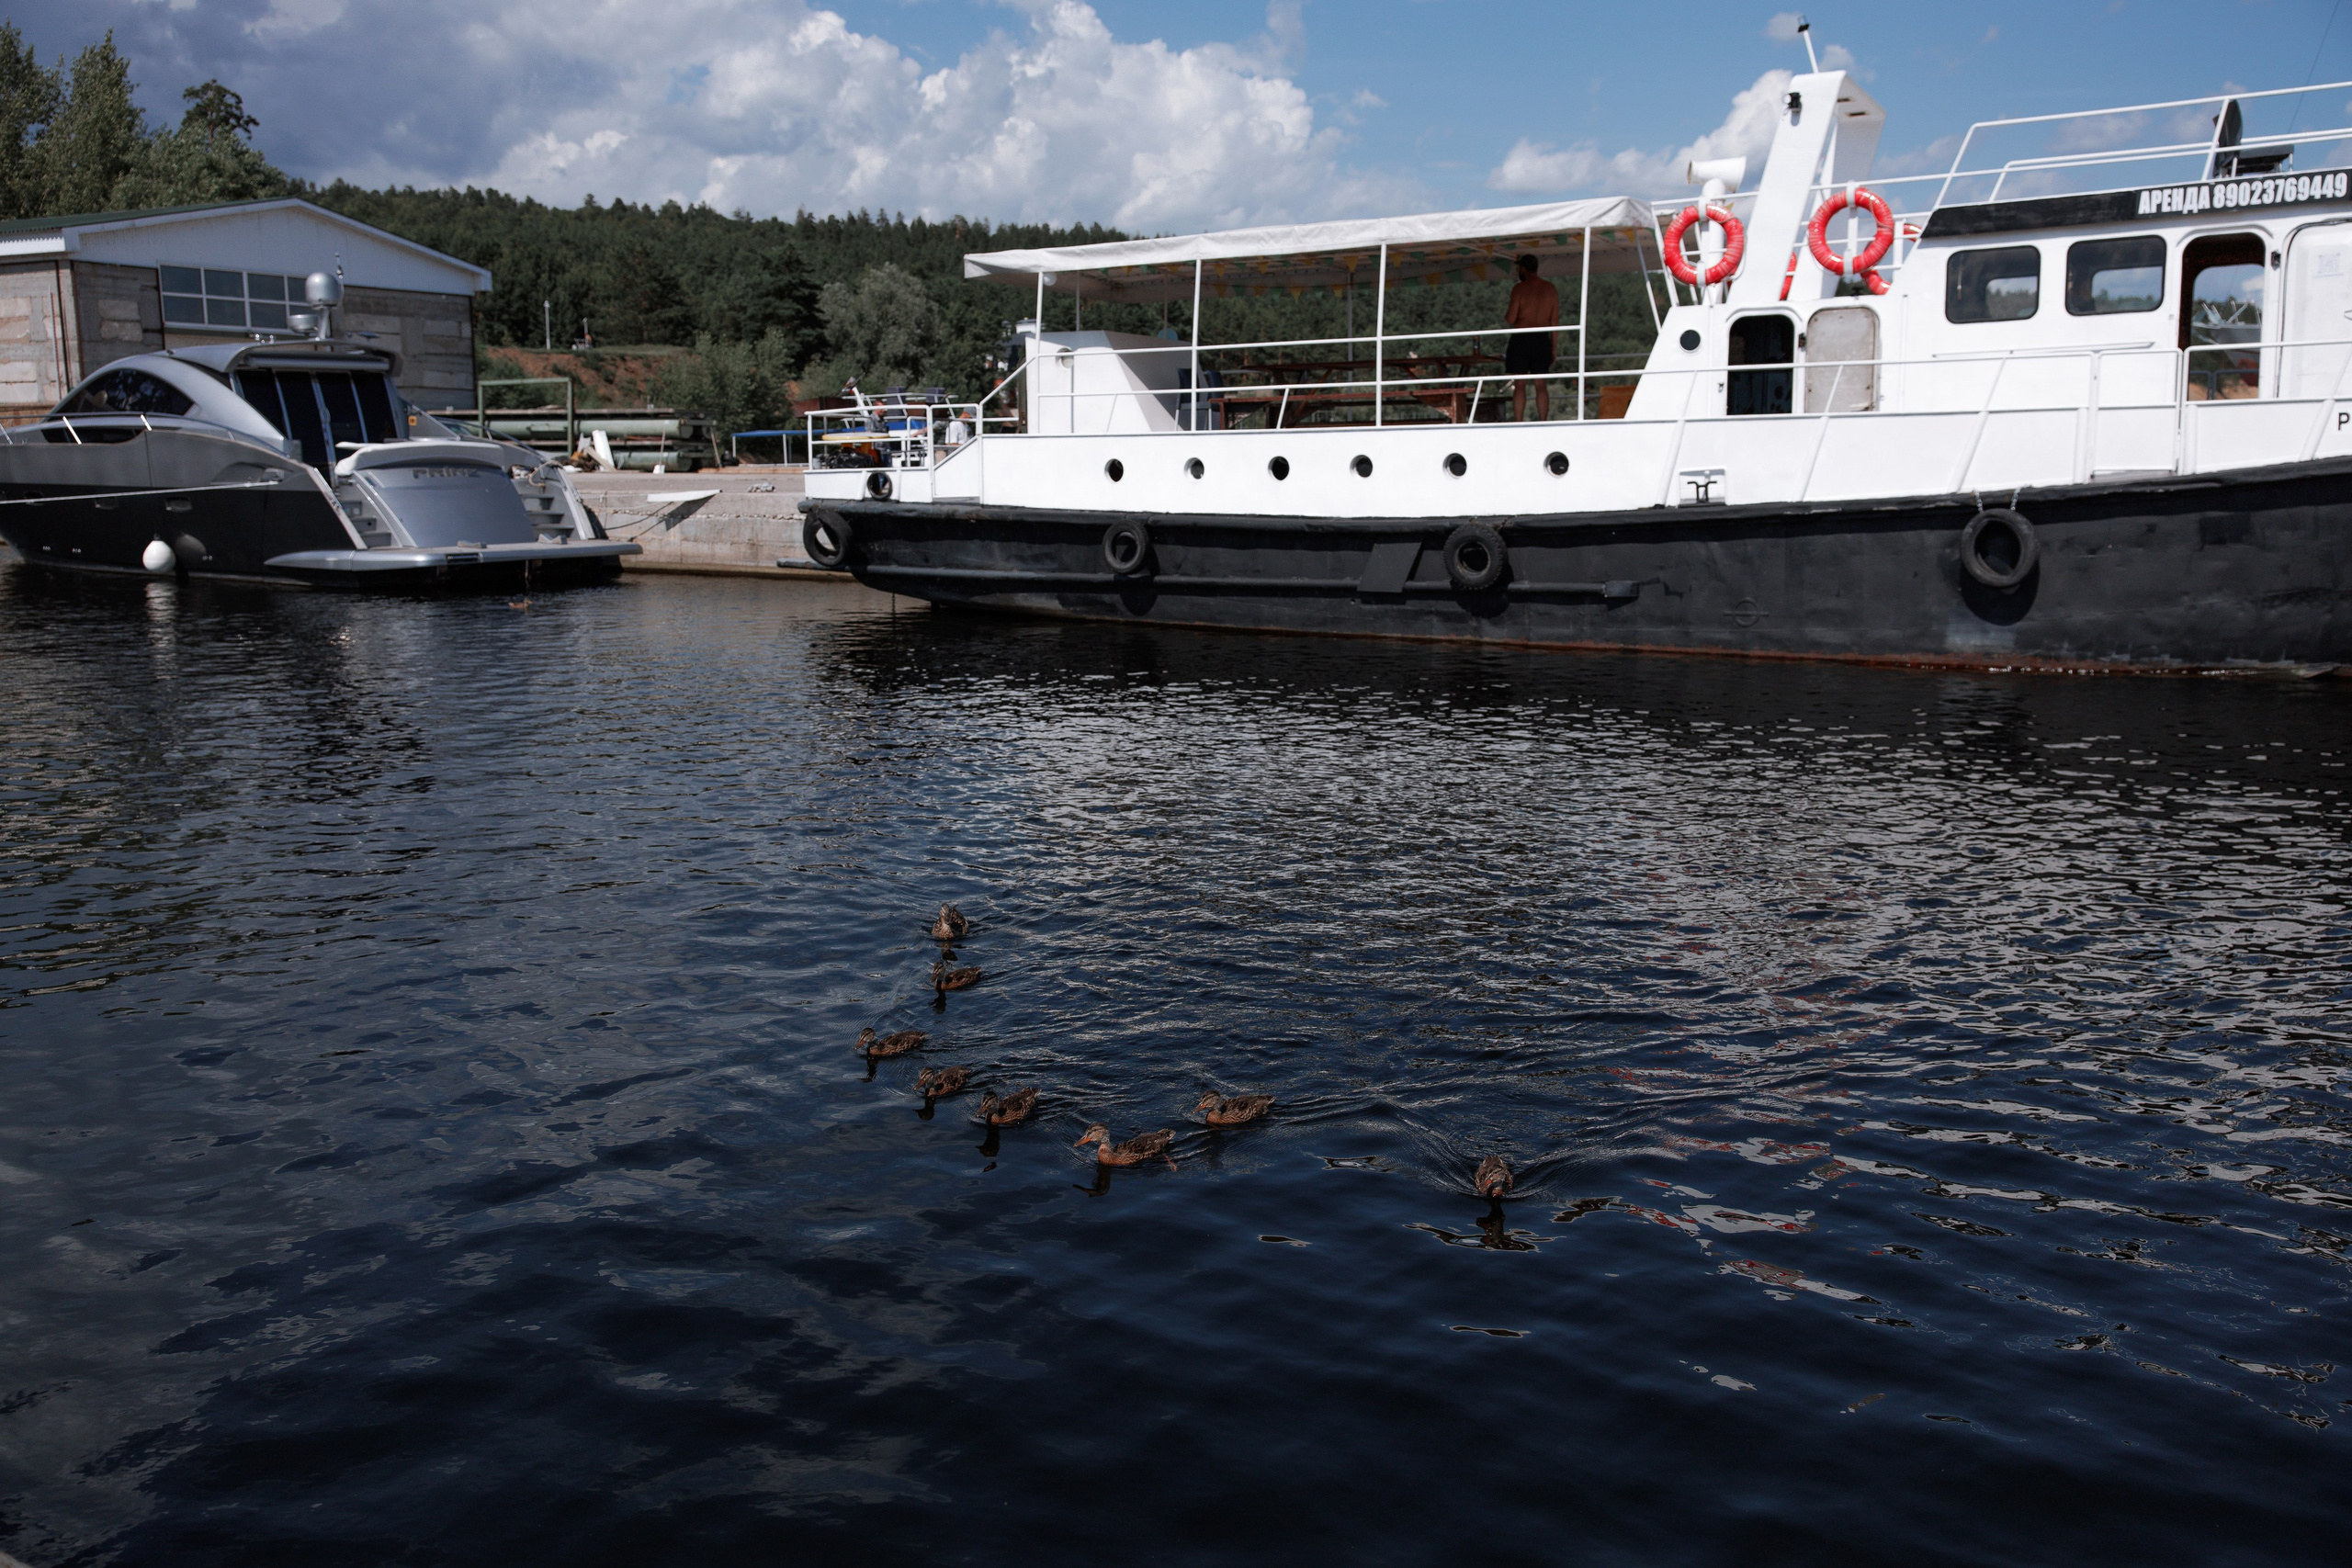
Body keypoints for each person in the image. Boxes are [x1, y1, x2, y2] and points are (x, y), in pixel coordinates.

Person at [1503, 254, 1558, 422]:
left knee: (1520, 384)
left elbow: (1511, 318)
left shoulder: (1519, 289)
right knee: (1541, 384)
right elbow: (1554, 322)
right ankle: (1543, 421)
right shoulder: (1550, 289)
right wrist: (1554, 348)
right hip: (1542, 339)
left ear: (1523, 269)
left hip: (1521, 337)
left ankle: (1519, 422)